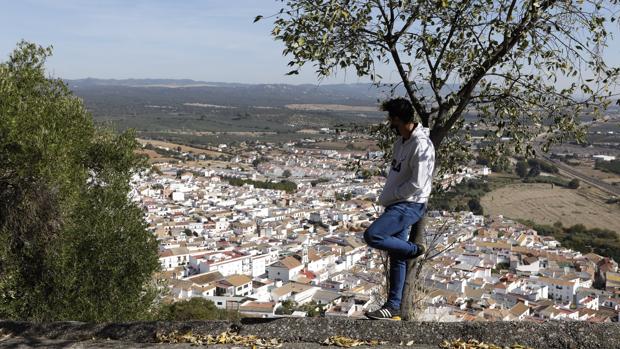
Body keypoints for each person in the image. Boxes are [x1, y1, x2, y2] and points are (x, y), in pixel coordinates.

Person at [363, 98, 435, 321]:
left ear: (399, 119)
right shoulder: (402, 142)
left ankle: (412, 249)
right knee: (397, 256)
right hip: (398, 204)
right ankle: (393, 305)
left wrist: (391, 195)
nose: (389, 124)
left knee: (373, 235)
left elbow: (418, 183)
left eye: (391, 120)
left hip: (408, 205)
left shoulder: (421, 146)